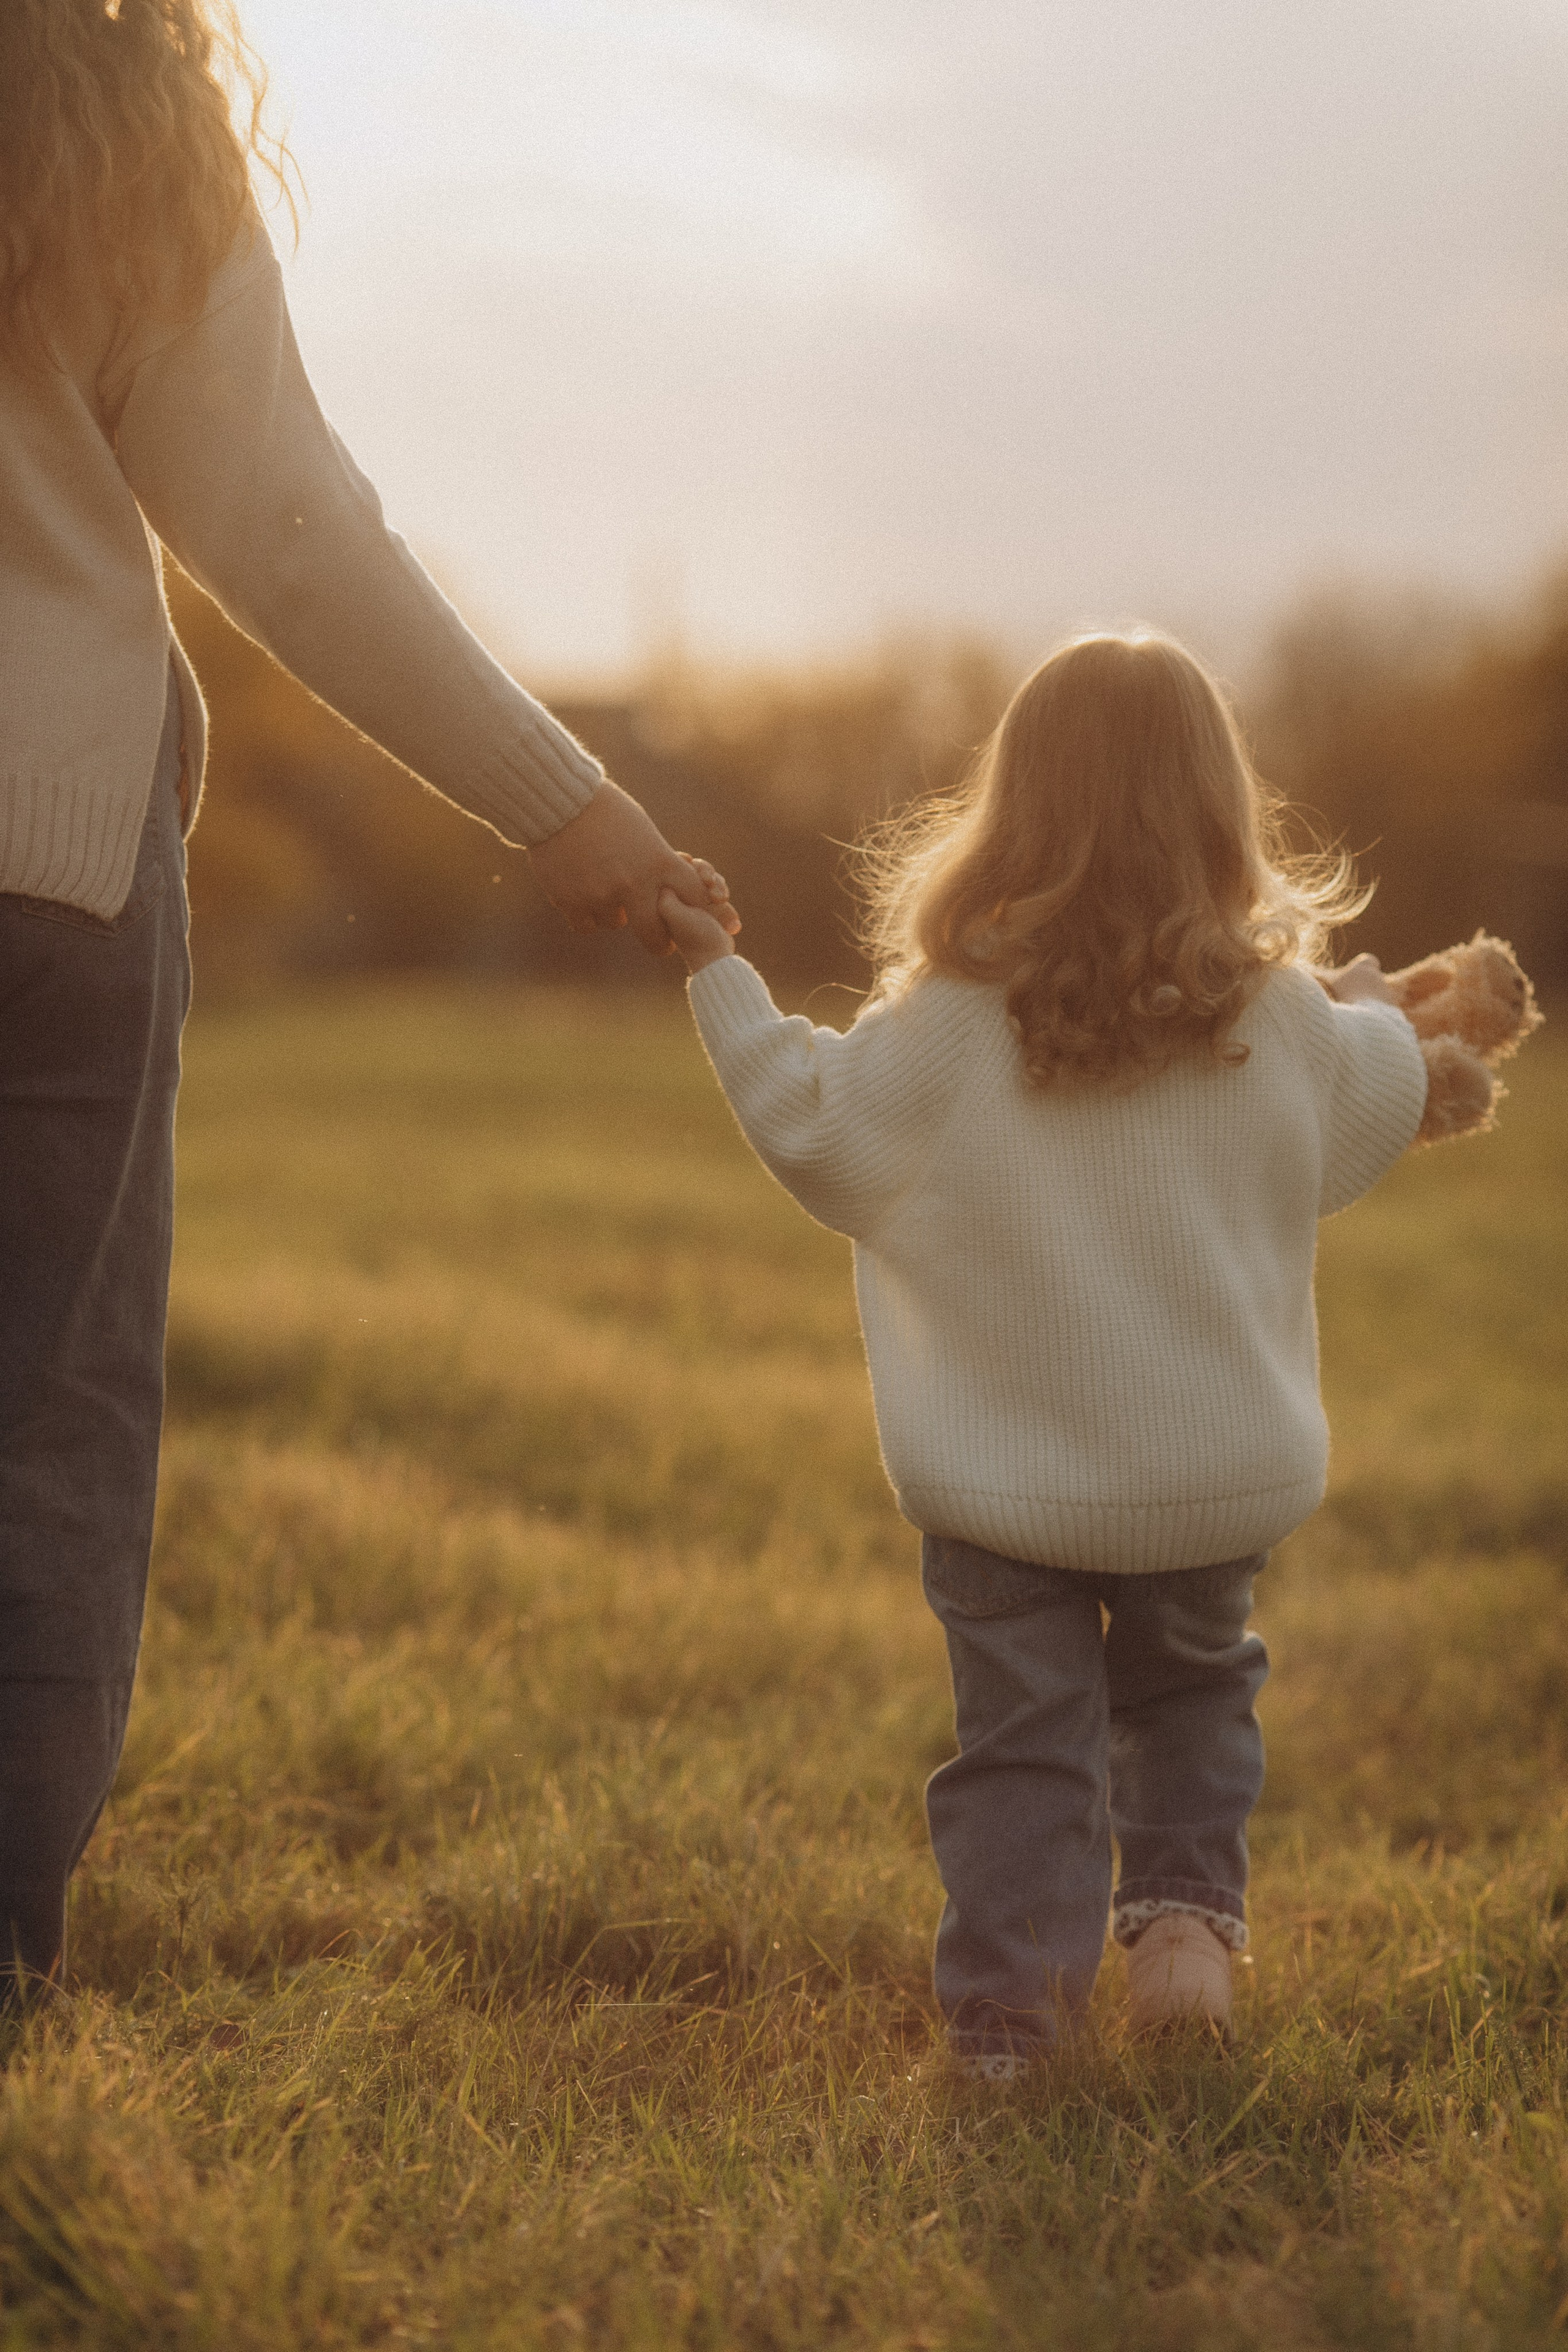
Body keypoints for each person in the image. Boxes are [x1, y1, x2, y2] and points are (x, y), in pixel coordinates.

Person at [0, 0, 733, 2000]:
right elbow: (289, 523)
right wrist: (565, 807)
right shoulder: (114, 113)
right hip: (50, 862)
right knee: (49, 1427)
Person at [657, 631, 1428, 2077]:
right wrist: (1380, 1016)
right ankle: (1187, 1945)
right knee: (1192, 1699)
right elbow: (1367, 1112)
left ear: (1011, 806)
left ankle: (1010, 2027)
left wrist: (720, 974)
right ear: (1220, 809)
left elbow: (814, 1130)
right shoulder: (1281, 1015)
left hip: (1005, 1493)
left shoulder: (952, 1016)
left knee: (1024, 1749)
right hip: (1210, 1482)